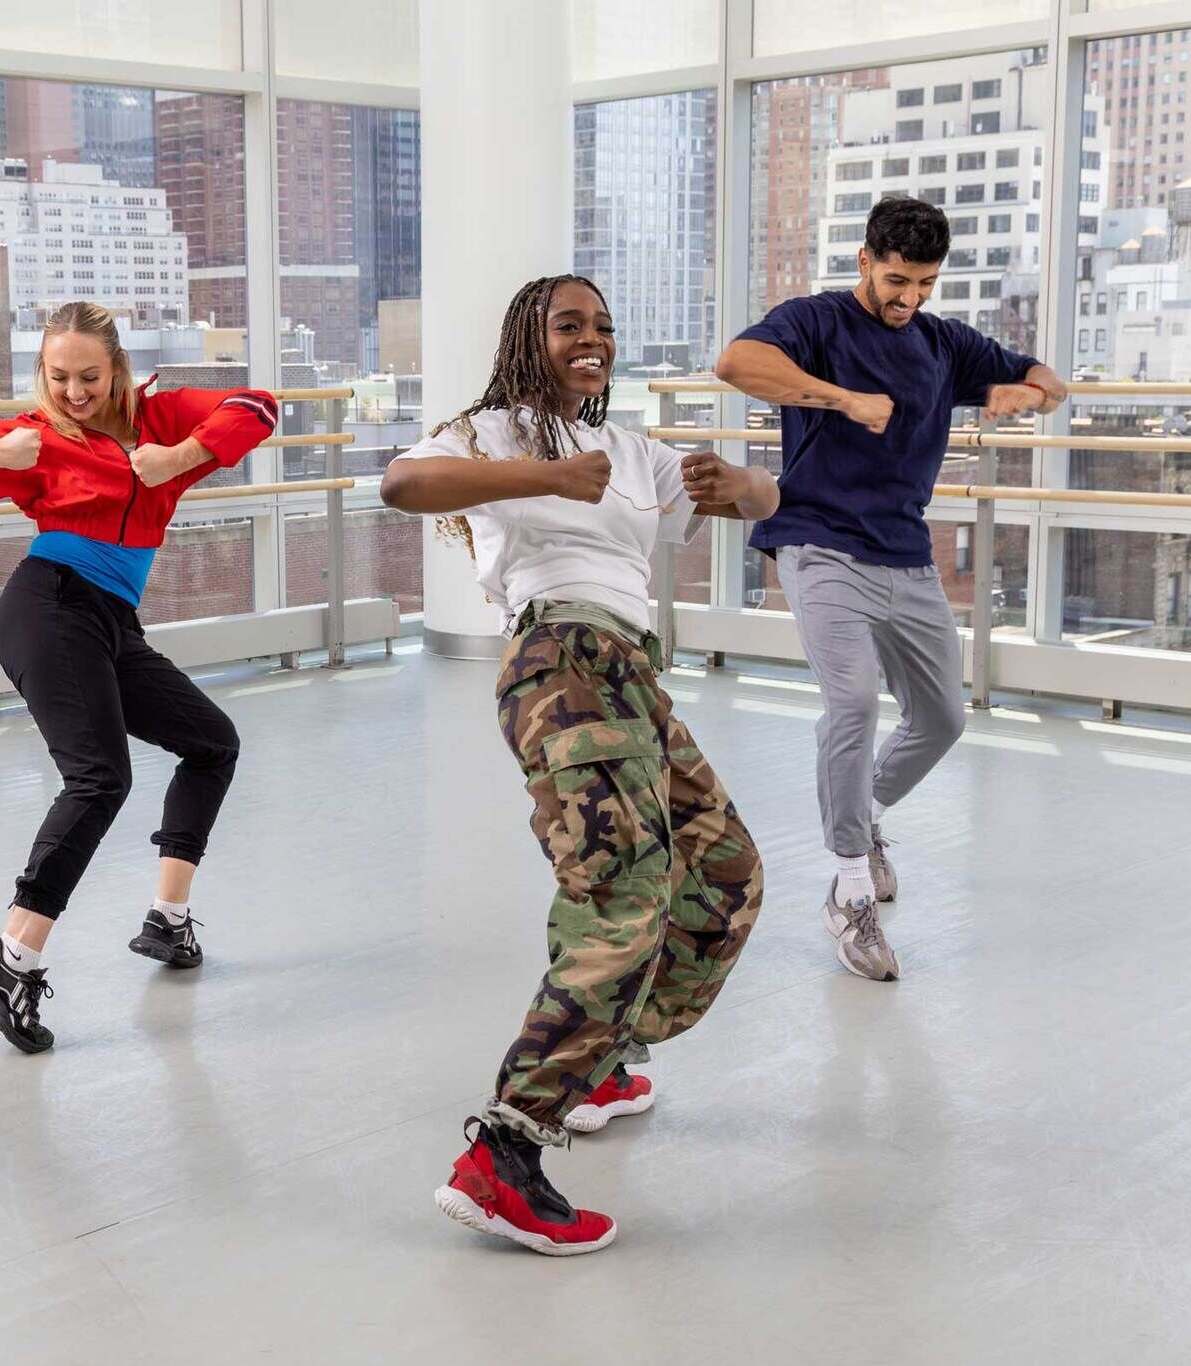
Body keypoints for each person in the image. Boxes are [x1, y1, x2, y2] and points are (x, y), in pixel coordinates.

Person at [381, 274, 776, 1255]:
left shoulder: (632, 449)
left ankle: (601, 1055)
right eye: (568, 325)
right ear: (529, 337)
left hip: (630, 670)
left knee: (722, 872)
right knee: (621, 892)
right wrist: (541, 481)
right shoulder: (495, 433)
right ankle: (502, 1153)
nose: (590, 339)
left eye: (602, 324)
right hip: (559, 658)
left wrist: (749, 486)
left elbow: (760, 500)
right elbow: (400, 485)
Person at [0, 301, 275, 1054]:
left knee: (212, 743)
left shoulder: (161, 418)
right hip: (49, 606)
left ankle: (167, 922)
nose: (73, 392)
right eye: (58, 376)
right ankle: (12, 958)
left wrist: (181, 456)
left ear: (118, 370)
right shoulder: (38, 439)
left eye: (89, 376)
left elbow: (255, 407)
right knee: (99, 778)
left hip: (110, 622)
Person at [717, 197, 1066, 981]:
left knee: (942, 717)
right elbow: (736, 364)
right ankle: (847, 891)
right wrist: (839, 398)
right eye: (897, 280)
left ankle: (863, 815)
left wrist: (1027, 394)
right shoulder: (815, 320)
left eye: (926, 284)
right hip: (818, 544)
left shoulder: (944, 344)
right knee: (850, 706)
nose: (909, 299)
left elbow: (1049, 379)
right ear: (866, 261)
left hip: (906, 554)